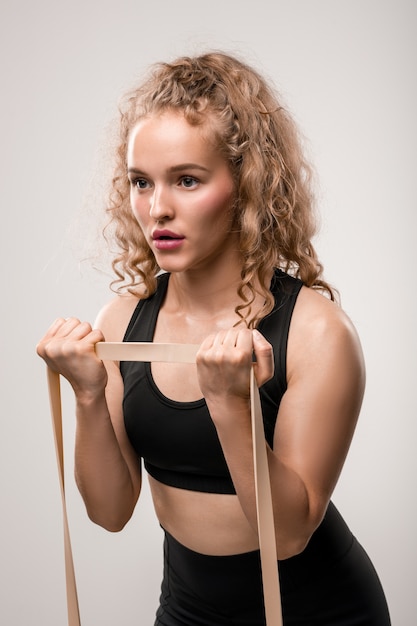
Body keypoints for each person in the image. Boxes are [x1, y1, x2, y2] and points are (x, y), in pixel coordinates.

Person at [37, 52, 391, 625]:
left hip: (320, 612)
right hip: (188, 612)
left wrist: (231, 405)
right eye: (141, 183)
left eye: (187, 180)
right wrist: (86, 396)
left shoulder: (316, 331)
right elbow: (109, 511)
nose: (158, 209)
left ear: (246, 185)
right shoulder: (123, 322)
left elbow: (290, 535)